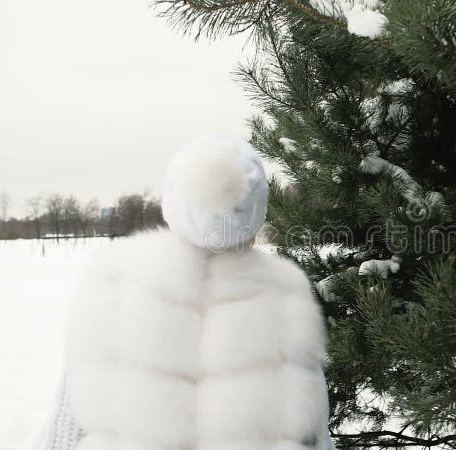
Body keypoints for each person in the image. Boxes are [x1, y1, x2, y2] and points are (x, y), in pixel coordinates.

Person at [32, 136, 335, 450]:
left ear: (172, 201)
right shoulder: (285, 295)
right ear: (256, 210)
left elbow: (64, 432)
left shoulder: (113, 280)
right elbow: (311, 433)